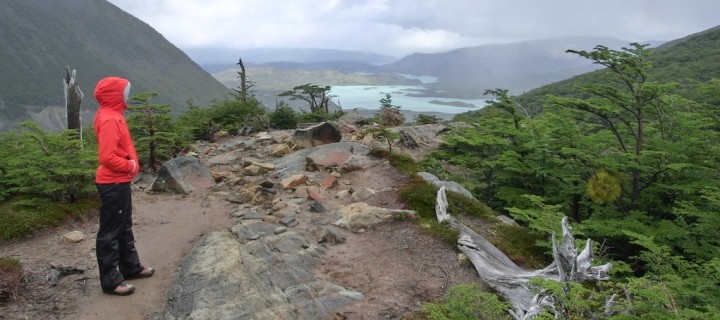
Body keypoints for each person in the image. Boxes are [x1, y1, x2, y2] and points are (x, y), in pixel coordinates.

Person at [93, 76, 154, 296]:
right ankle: (111, 281)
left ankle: (130, 267)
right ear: (115, 95)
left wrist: (129, 168)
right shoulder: (110, 119)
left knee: (124, 226)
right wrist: (129, 166)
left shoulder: (113, 115)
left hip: (119, 181)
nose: (127, 95)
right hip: (113, 181)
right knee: (110, 232)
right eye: (124, 91)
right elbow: (107, 156)